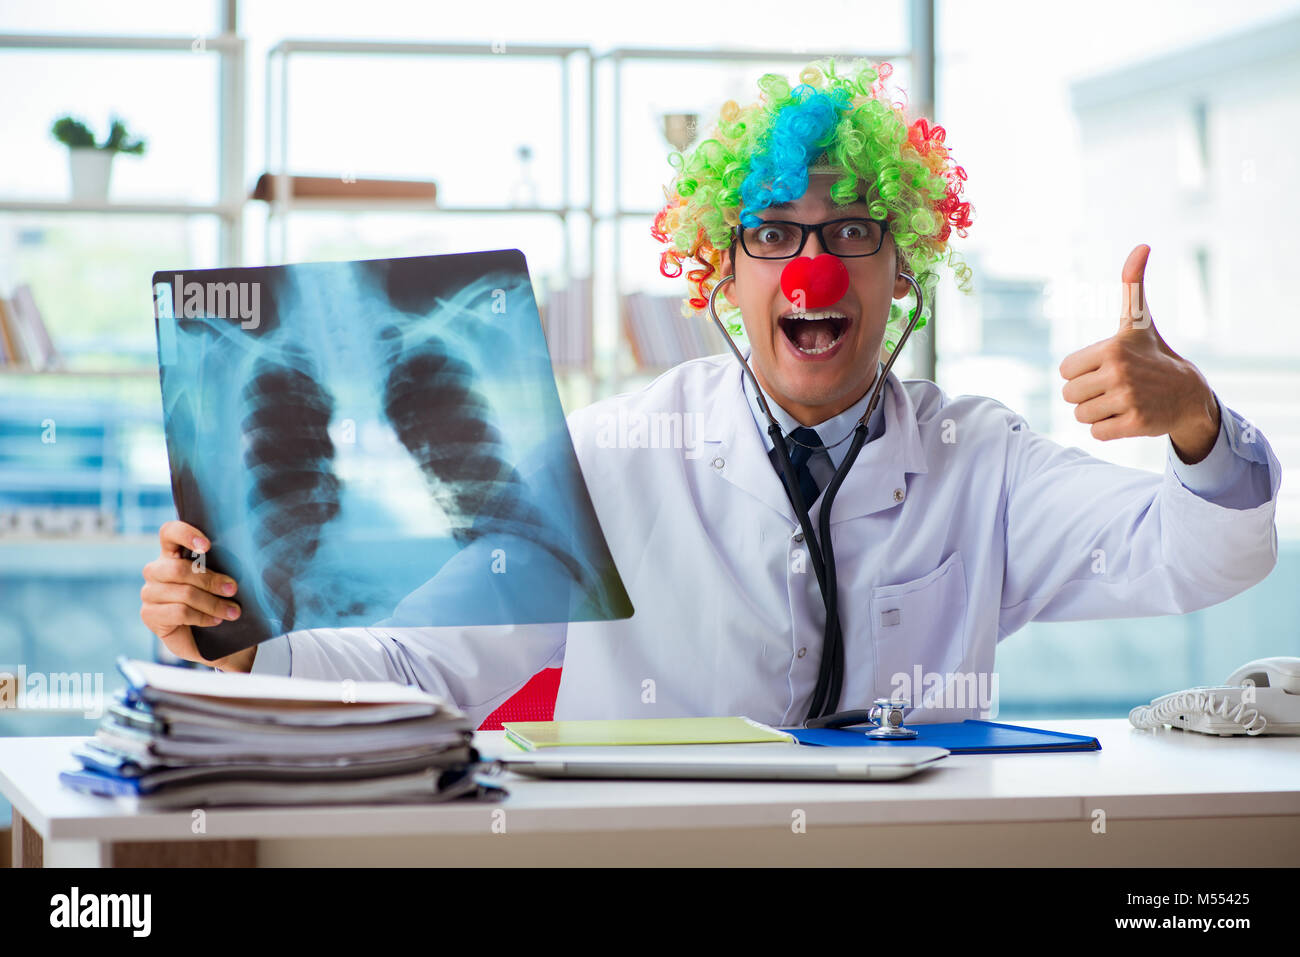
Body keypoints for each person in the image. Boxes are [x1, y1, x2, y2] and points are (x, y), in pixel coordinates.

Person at [140, 58, 1281, 730]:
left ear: (903, 268)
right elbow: (414, 663)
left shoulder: (979, 457)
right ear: (723, 276)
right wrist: (242, 649)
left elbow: (1200, 555)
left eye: (851, 232)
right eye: (773, 234)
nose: (812, 266)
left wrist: (1190, 423)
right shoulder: (608, 455)